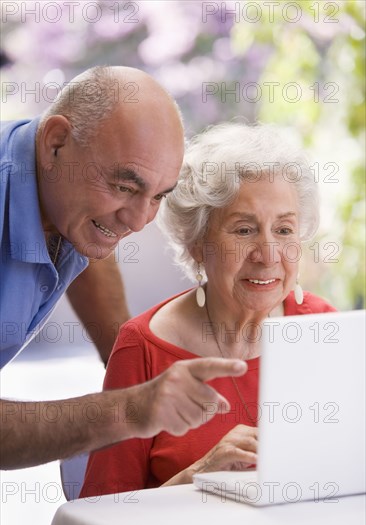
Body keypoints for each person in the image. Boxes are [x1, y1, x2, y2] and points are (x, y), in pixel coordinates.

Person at [0, 68, 247, 470]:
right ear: (56, 142)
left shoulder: (67, 195)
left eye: (157, 197)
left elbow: (92, 241)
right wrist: (129, 409)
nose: (136, 221)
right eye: (124, 187)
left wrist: (130, 365)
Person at [80, 122, 337, 498]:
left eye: (283, 231)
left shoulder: (324, 327)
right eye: (244, 230)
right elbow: (97, 518)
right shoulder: (142, 348)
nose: (268, 255)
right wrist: (199, 474)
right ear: (198, 244)